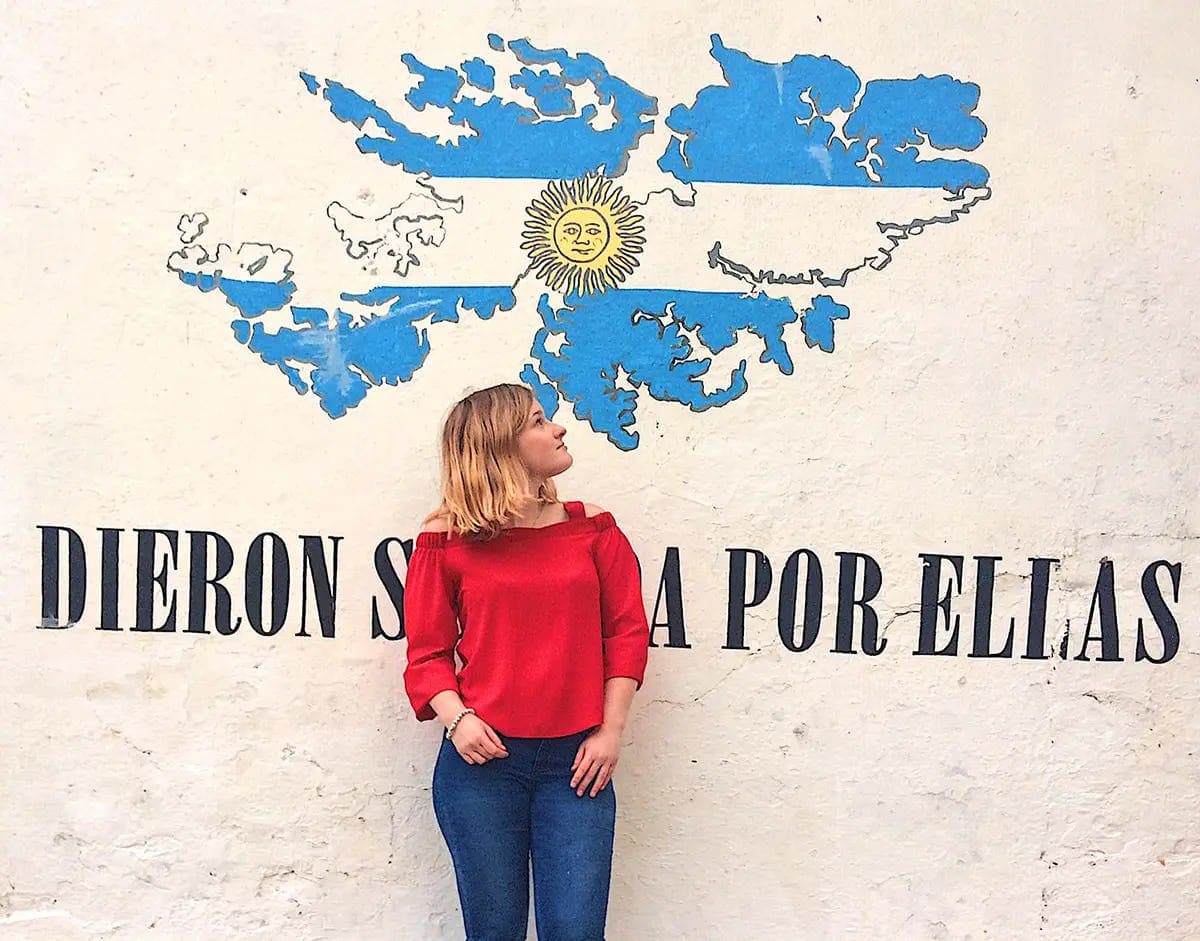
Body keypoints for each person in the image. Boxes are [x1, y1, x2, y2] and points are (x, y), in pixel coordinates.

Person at [402, 382, 651, 941]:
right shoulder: (445, 541)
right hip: (482, 770)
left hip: (578, 767)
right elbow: (426, 655)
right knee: (494, 933)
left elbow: (628, 633)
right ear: (499, 447)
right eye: (539, 422)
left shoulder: (594, 528)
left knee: (575, 932)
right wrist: (457, 719)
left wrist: (611, 732)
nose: (557, 428)